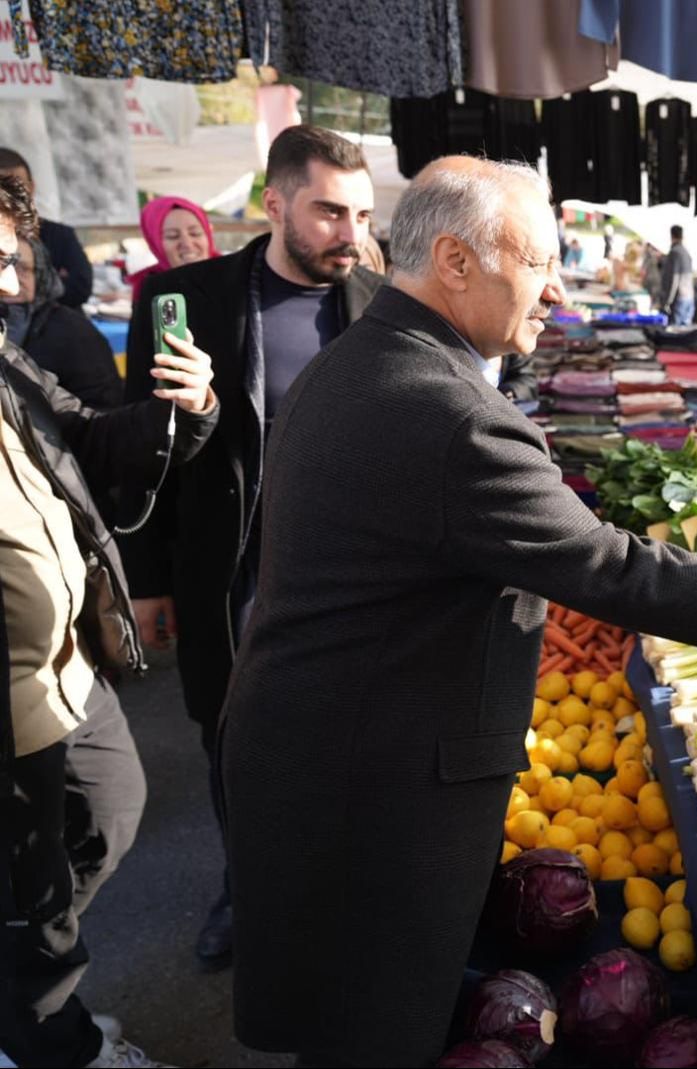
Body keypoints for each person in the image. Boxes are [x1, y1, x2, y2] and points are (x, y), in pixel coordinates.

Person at [219, 157, 697, 1067]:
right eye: (540, 262)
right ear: (454, 261)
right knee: (372, 1032)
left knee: (342, 1019)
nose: (558, 291)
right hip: (372, 786)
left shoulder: (357, 359)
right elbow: (603, 564)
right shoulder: (450, 412)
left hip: (321, 750)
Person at [115, 124, 385, 971]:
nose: (350, 233)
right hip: (230, 572)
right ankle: (245, 889)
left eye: (362, 214)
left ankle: (332, 891)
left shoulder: (380, 300)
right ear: (274, 204)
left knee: (342, 741)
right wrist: (148, 580)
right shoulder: (185, 297)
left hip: (349, 579)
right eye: (330, 212)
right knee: (233, 744)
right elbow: (144, 450)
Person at [0, 172, 218, 1069]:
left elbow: (87, 432)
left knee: (112, 810)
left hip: (67, 664)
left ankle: (26, 991)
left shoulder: (6, 355)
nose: (12, 283)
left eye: (10, 260)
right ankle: (52, 1038)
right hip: (13, 699)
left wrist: (183, 407)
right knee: (33, 889)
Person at [2, 237, 122, 409]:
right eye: (2, 265)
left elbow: (102, 406)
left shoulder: (73, 332)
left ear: (41, 275)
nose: (12, 279)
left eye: (24, 269)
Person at [0, 150, 93, 310]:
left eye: (25, 269)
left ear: (31, 188)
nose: (14, 288)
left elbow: (80, 287)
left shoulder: (60, 235)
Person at [124, 197, 218, 303]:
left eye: (195, 233)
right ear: (155, 243)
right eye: (173, 236)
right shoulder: (150, 290)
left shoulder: (230, 276)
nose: (187, 244)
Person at [660, 224, 695, 325]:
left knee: (675, 331)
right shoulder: (686, 253)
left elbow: (674, 279)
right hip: (689, 296)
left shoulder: (674, 253)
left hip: (678, 298)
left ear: (671, 236)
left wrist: (668, 301)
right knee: (686, 331)